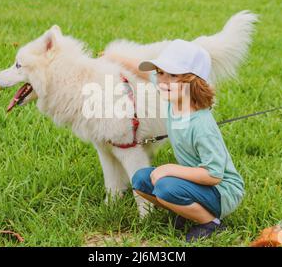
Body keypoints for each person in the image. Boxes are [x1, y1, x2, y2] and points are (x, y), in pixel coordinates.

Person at [104, 39, 244, 242]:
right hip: (196, 183)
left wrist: (171, 169)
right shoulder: (174, 97)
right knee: (141, 180)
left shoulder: (201, 125)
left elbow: (214, 174)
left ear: (192, 81)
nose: (162, 81)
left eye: (172, 75)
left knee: (165, 186)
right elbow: (141, 70)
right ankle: (187, 212)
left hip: (222, 191)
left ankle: (210, 223)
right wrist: (111, 57)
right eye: (160, 73)